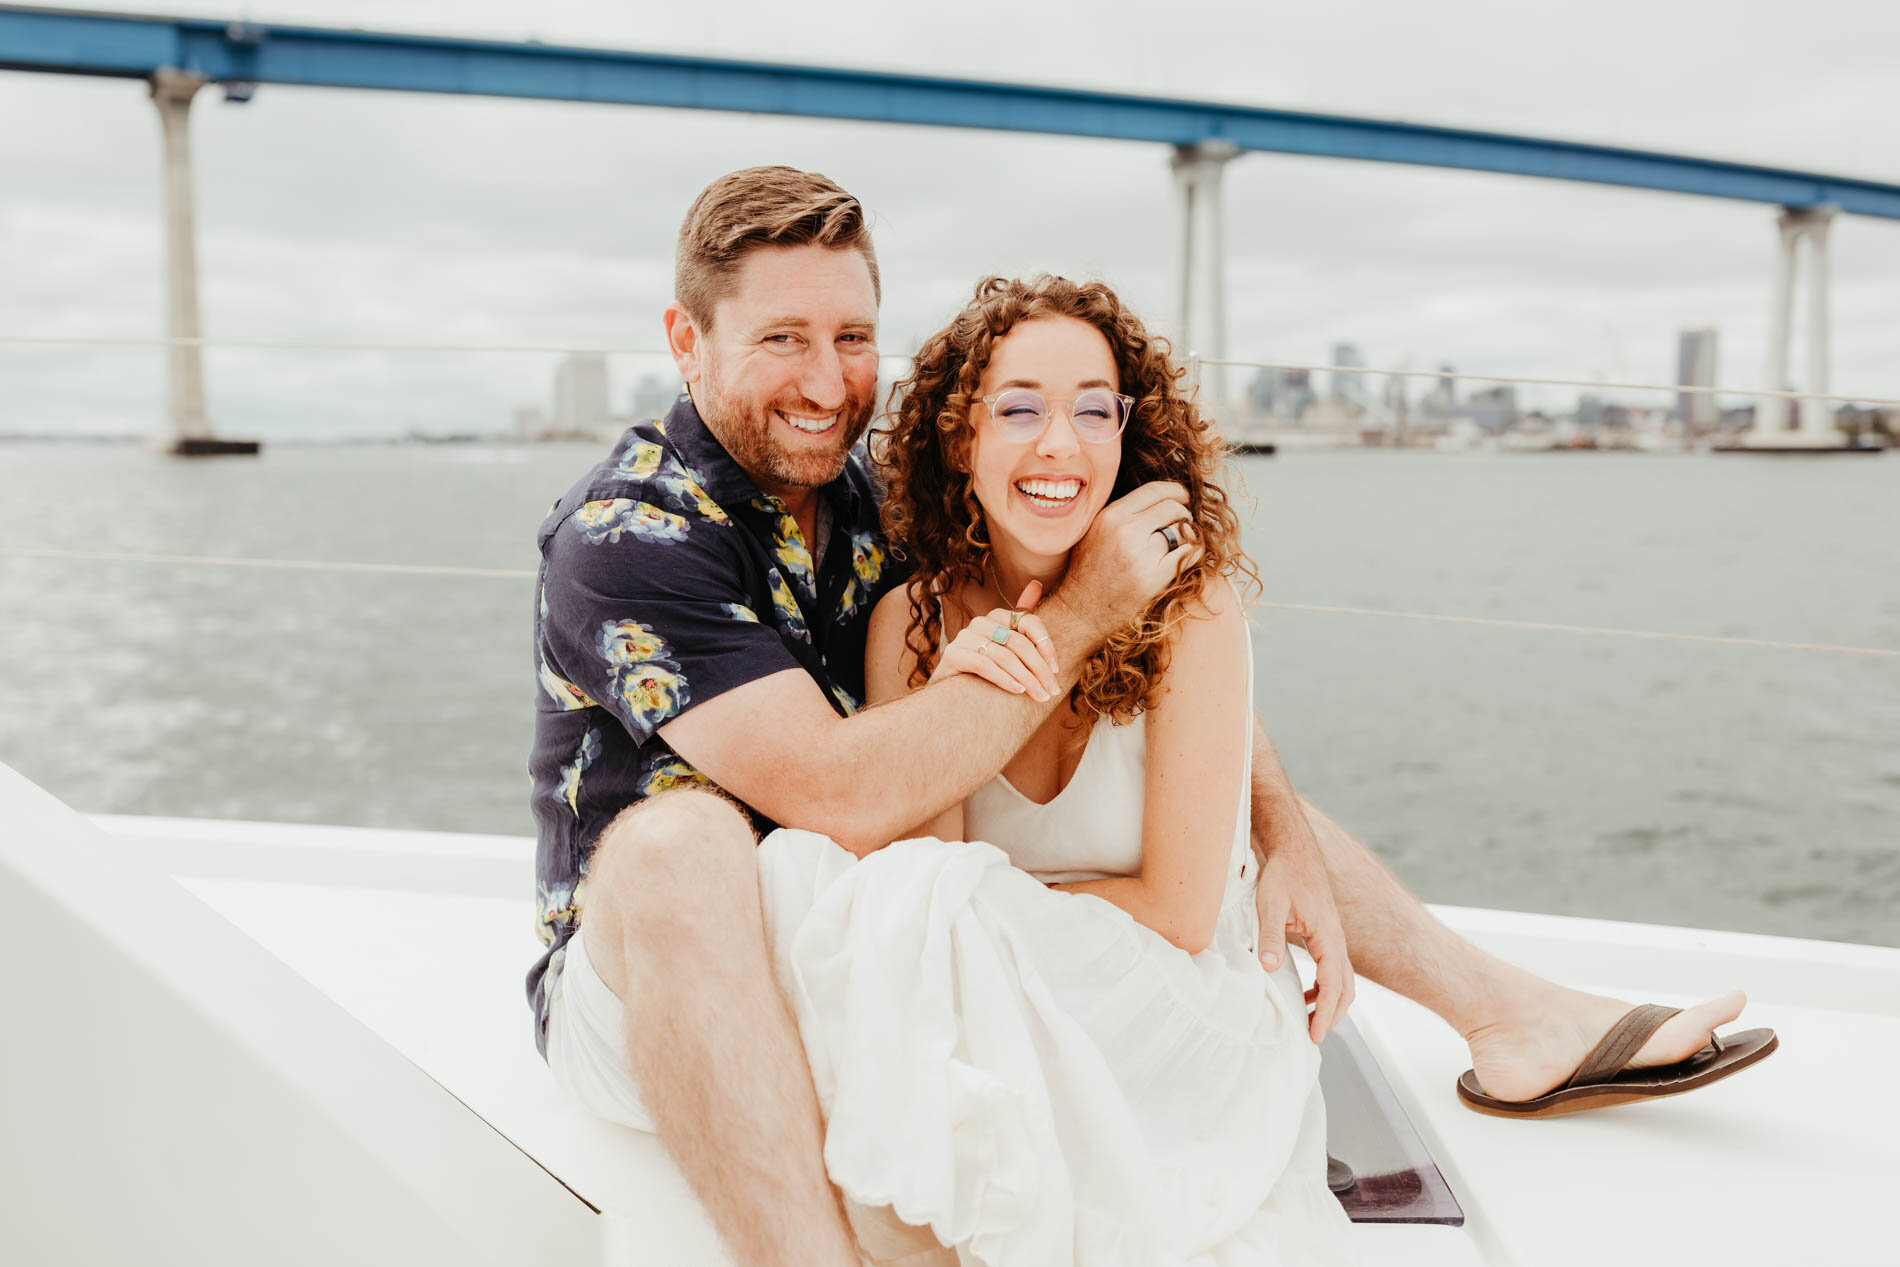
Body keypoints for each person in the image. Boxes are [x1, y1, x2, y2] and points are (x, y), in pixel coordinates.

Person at [526, 166, 1759, 1267]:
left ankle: (1509, 1013)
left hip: (854, 910)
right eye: (779, 338)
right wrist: (1084, 616)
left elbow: (1149, 683)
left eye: (851, 336)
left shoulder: (865, 479)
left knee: (1148, 768)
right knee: (685, 844)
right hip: (667, 970)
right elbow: (844, 793)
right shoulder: (629, 536)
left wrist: (1270, 830)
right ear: (686, 339)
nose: (825, 378)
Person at [747, 272, 1354, 1262]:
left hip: (1172, 1010)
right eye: (1019, 408)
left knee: (900, 931)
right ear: (959, 437)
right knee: (816, 886)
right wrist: (953, 694)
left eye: (1093, 411)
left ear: (1127, 437)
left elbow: (1179, 911)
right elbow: (919, 888)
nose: (1059, 446)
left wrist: (994, 916)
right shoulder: (916, 617)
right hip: (1002, 999)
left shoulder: (1189, 612)